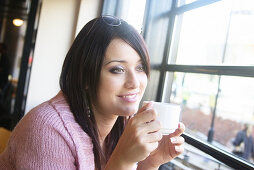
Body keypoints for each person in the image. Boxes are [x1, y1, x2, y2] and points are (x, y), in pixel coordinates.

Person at [0, 16, 185, 170]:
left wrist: (149, 163)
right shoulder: (47, 130)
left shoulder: (121, 126)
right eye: (117, 69)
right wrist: (123, 161)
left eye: (140, 67)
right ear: (86, 76)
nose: (135, 82)